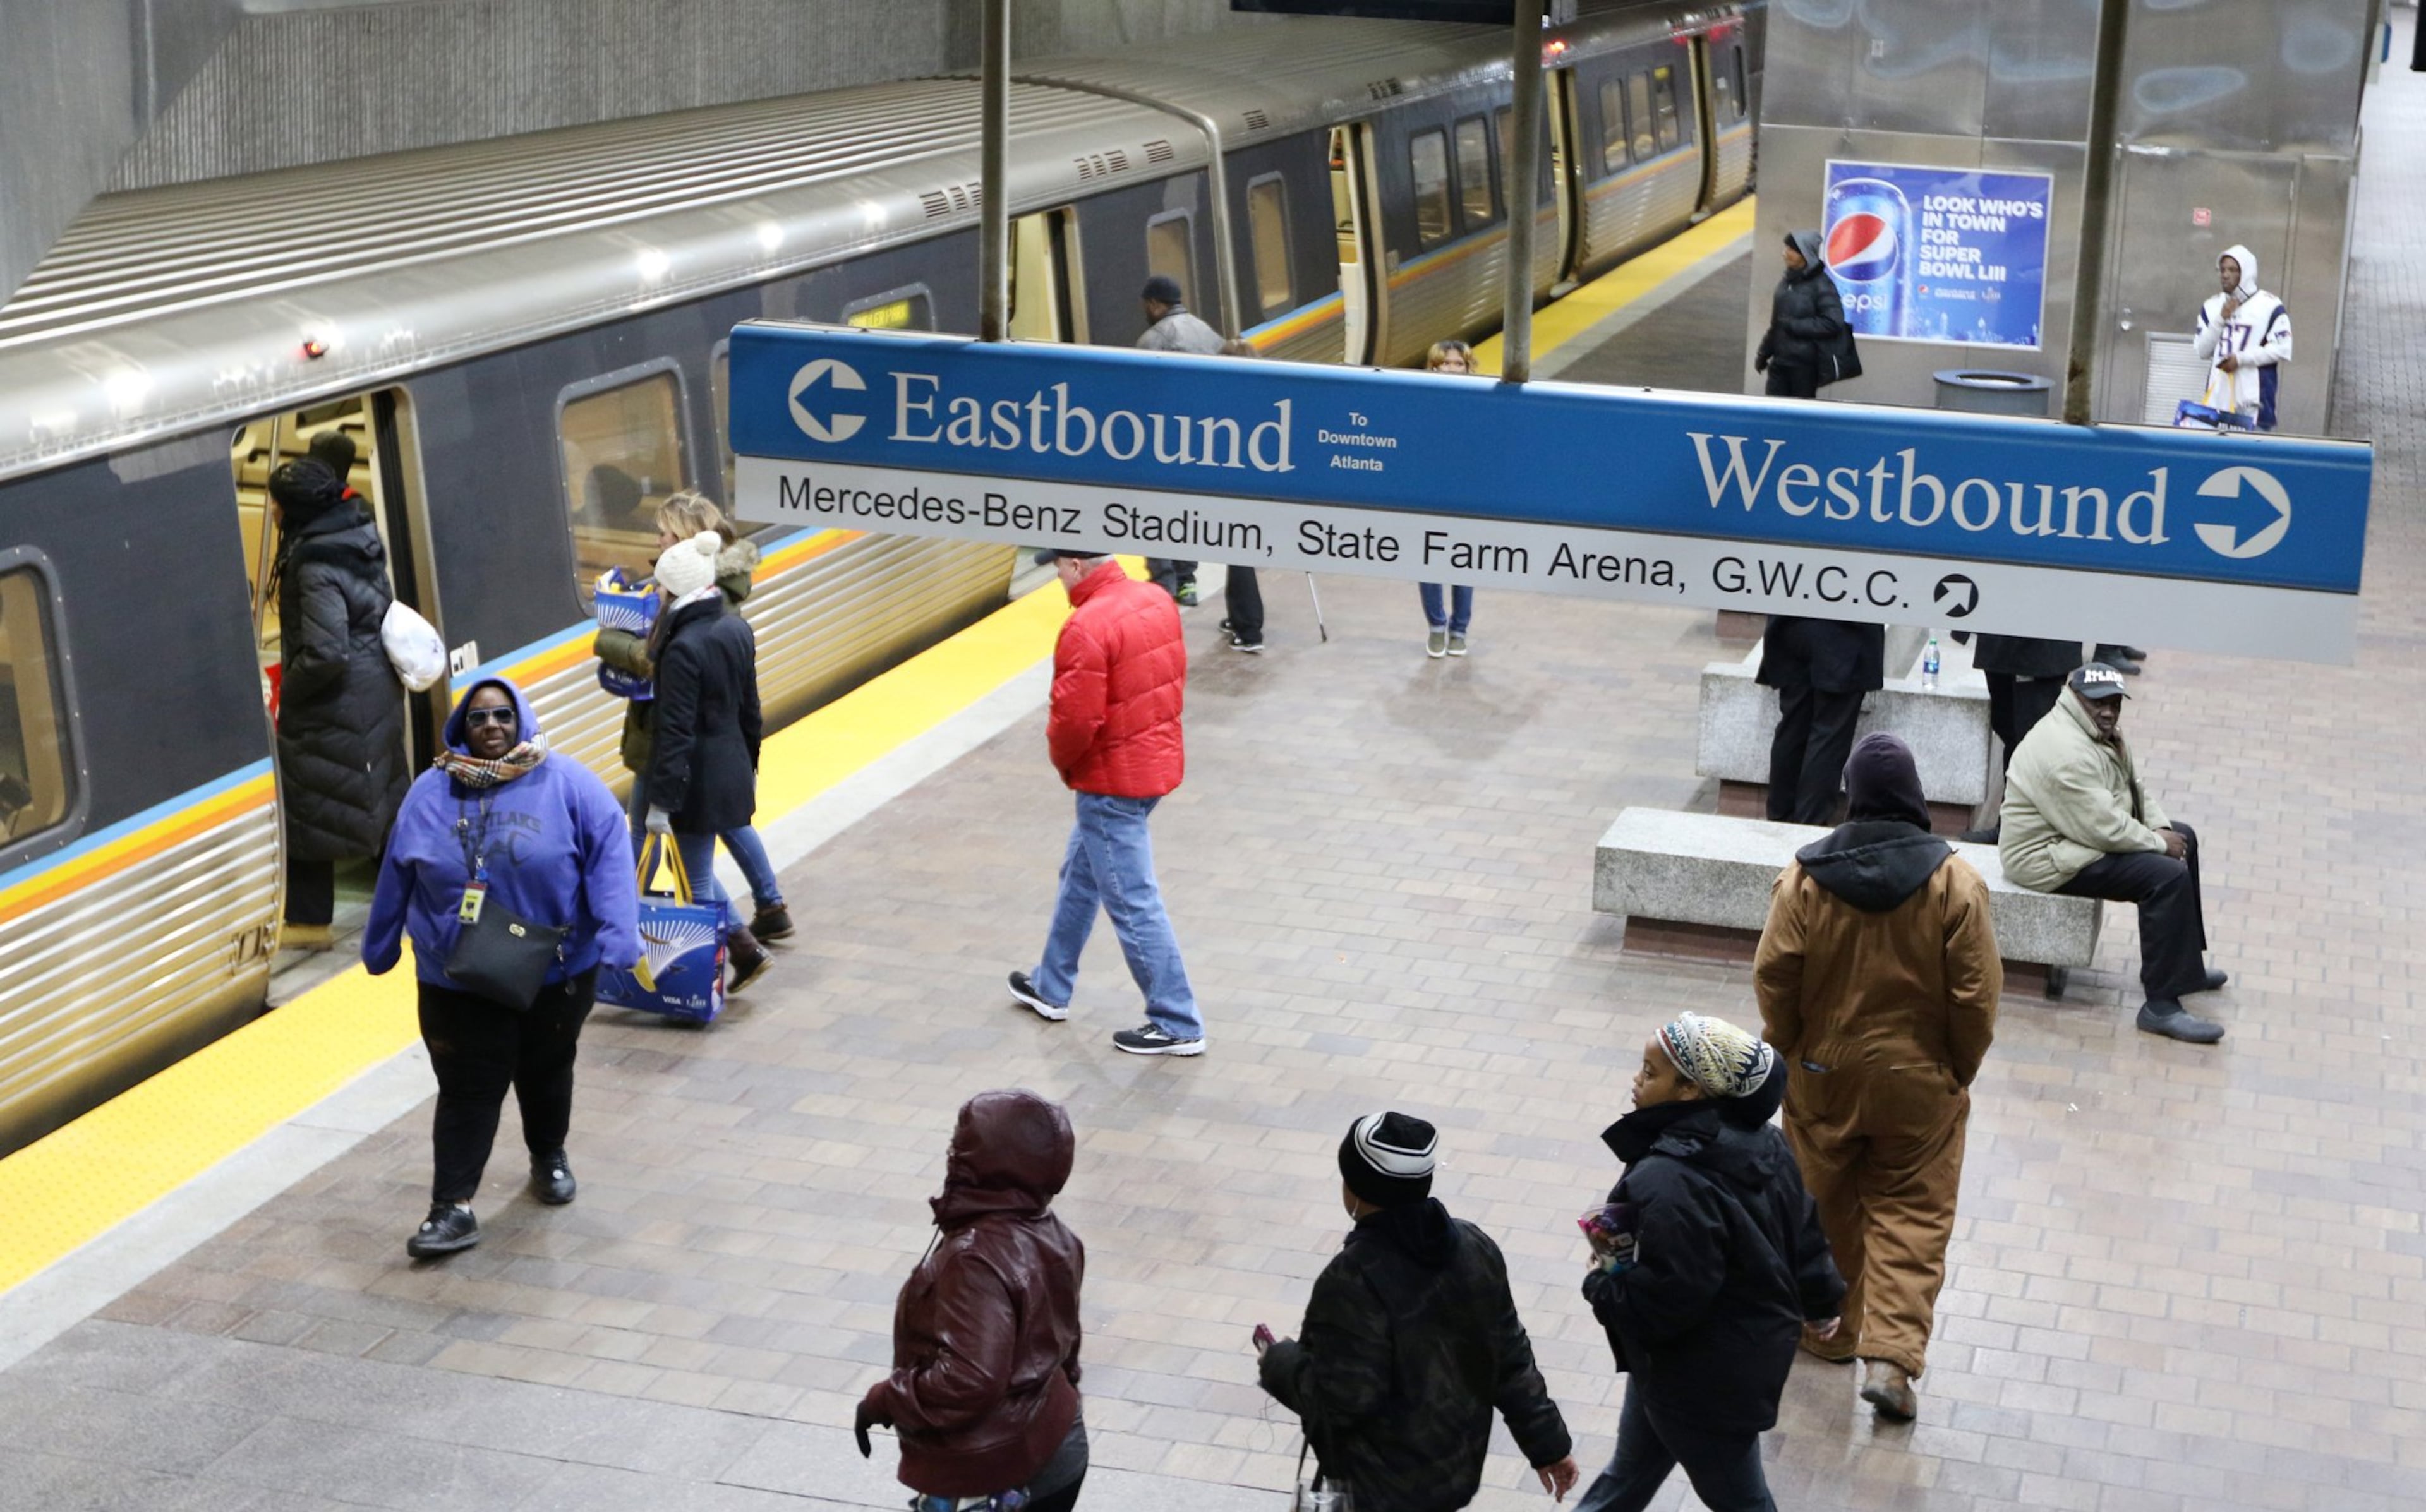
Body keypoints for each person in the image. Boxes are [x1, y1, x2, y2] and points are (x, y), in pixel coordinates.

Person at [1753, 733, 2000, 1422]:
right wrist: (1955, 1069)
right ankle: (1891, 1359)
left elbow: (1774, 975)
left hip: (1823, 1070)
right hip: (1919, 1077)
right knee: (1912, 1214)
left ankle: (1828, 1333)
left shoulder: (1803, 877)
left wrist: (1793, 1051)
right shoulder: (1956, 882)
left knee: (1822, 1200)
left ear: (1852, 794)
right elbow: (1976, 996)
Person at [362, 678, 639, 1259]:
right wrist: (381, 942)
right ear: (461, 726)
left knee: (547, 1070)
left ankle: (548, 1155)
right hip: (455, 975)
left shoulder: (569, 784)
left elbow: (611, 854)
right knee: (467, 1089)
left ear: (523, 721)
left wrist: (619, 934)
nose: (492, 726)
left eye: (504, 716)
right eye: (480, 717)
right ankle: (452, 1208)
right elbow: (397, 870)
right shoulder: (429, 793)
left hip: (555, 973)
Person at [1574, 1016, 1844, 1512]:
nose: (1636, 1080)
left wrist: (1601, 1283)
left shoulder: (1669, 1179)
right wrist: (1822, 1298)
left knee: (1742, 1501)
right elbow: (1802, 1229)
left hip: (1705, 1380)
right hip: (1700, 1363)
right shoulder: (1766, 1143)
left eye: (1650, 1072)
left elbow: (1665, 1302)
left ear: (1691, 1090)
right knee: (1629, 1473)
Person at [1257, 1111, 1579, 1511]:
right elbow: (1510, 1358)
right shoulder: (1474, 1247)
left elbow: (1344, 1399)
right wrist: (1548, 1445)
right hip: (1452, 1475)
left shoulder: (1353, 1279)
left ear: (1356, 1189)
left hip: (1377, 1487)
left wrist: (1280, 1362)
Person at [1007, 551, 1203, 1055]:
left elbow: (1073, 720)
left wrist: (1067, 768)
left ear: (1074, 565)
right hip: (1152, 766)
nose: (1056, 578)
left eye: (1057, 569)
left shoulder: (1087, 625)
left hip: (1110, 782)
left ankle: (1177, 1020)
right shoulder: (1154, 599)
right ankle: (1051, 985)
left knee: (1132, 900)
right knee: (1081, 873)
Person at [855, 1090, 1089, 1512]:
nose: (953, 1153)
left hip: (999, 1471)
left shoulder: (974, 1258)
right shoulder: (1056, 1235)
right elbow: (1065, 1350)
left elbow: (969, 1380)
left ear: (993, 1160)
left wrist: (885, 1399)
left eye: (964, 1144)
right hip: (1057, 1443)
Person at [594, 493, 792, 945]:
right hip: (714, 756)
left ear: (683, 539)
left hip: (675, 754)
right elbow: (751, 707)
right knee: (704, 839)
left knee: (672, 854)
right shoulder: (724, 611)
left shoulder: (695, 614)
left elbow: (670, 698)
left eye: (663, 533)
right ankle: (765, 910)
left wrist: (611, 644)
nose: (657, 541)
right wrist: (749, 763)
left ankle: (729, 951)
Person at [2000, 663, 2230, 1043]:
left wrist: (2163, 830)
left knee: (2184, 838)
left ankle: (2181, 966)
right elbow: (2101, 827)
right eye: (2098, 703)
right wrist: (2157, 844)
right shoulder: (2064, 751)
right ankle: (2160, 1006)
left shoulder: (2095, 732)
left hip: (2074, 837)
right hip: (2045, 858)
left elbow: (2134, 790)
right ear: (2075, 698)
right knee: (2165, 876)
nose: (2108, 711)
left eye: (2114, 703)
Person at [269, 457, 408, 951]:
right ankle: (418, 896)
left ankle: (309, 923)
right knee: (376, 799)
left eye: (278, 505)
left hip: (334, 699)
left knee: (312, 803)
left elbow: (327, 651)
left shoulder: (313, 562)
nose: (274, 515)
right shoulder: (357, 531)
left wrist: (291, 690)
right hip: (373, 688)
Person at [641, 529, 773, 992]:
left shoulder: (683, 648)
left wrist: (660, 803)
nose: (657, 591)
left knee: (695, 880)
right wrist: (750, 766)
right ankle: (743, 950)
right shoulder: (736, 627)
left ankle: (721, 967)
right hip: (731, 764)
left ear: (674, 589)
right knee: (698, 873)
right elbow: (751, 709)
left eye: (661, 584)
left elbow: (675, 733)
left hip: (696, 779)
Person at [1136, 274, 1224, 605]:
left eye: (1146, 306)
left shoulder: (1152, 339)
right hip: (1203, 440)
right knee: (1186, 511)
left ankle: (1165, 584)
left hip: (1163, 443)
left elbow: (1139, 395)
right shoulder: (1207, 333)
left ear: (1156, 305)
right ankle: (1187, 580)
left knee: (1155, 512)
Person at [1758, 615, 1884, 825]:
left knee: (1793, 725)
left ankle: (1780, 818)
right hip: (1844, 631)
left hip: (1791, 622)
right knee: (1829, 736)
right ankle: (1810, 825)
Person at [1961, 633, 2084, 843]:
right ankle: (2011, 826)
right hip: (2000, 643)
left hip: (2042, 647)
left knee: (2032, 741)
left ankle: (2024, 830)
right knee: (2008, 731)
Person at [1418, 340, 1480, 657]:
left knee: (1464, 560)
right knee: (1429, 560)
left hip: (1467, 496)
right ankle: (1436, 626)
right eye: (1446, 364)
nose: (1453, 369)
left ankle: (1460, 629)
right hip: (1430, 493)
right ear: (1434, 367)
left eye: (1459, 364)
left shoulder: (1480, 405)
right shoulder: (1423, 403)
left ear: (1469, 368)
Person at [2192, 243, 2291, 433]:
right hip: (2217, 403)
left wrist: (2241, 359)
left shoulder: (2269, 305)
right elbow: (2202, 351)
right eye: (2222, 270)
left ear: (2246, 272)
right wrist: (2221, 319)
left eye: (2232, 270)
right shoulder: (2212, 306)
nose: (2225, 275)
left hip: (2254, 403)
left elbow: (2283, 348)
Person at [1215, 336, 1268, 653]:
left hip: (1240, 489)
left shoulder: (1229, 401)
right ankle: (1238, 618)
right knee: (1236, 553)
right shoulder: (1262, 395)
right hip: (1258, 488)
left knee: (1239, 553)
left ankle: (1250, 630)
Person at [1753, 230, 1845, 400]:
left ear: (1805, 254)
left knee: (1798, 417)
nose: (1784, 253)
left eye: (1791, 250)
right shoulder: (1786, 282)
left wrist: (1795, 325)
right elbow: (1777, 324)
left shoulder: (1822, 286)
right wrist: (1764, 353)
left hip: (1805, 368)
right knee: (1773, 414)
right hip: (1780, 363)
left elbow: (1833, 322)